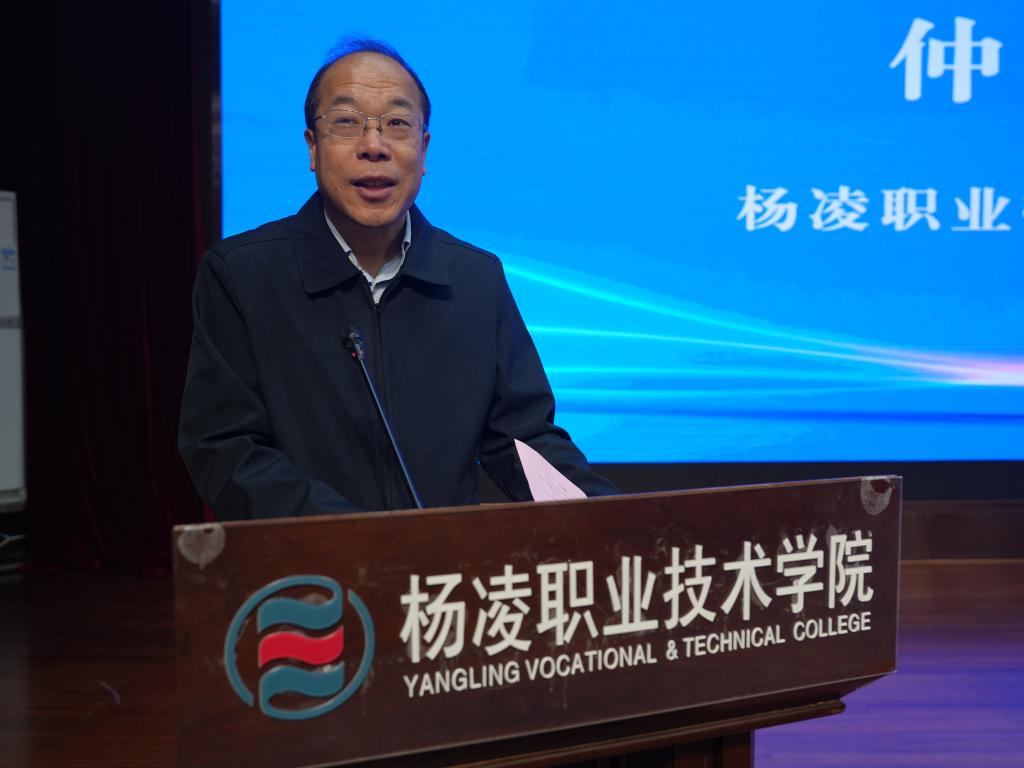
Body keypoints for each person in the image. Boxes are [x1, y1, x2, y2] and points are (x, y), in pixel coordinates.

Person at [179, 38, 616, 519]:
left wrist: (616, 521)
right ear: (312, 147)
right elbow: (225, 449)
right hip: (310, 564)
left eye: (397, 124)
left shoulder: (475, 279)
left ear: (423, 150)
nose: (374, 146)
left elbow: (524, 441)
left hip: (441, 565)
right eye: (347, 122)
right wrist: (359, 538)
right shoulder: (243, 275)